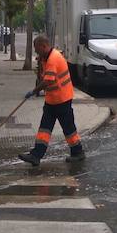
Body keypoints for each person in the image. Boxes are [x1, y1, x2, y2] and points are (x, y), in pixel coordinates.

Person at [19, 35, 85, 166]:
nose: (36, 52)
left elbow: (48, 80)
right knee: (45, 128)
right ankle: (36, 155)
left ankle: (78, 152)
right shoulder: (46, 57)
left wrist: (34, 91)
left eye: (37, 49)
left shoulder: (53, 59)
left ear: (44, 46)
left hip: (62, 99)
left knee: (68, 128)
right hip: (52, 100)